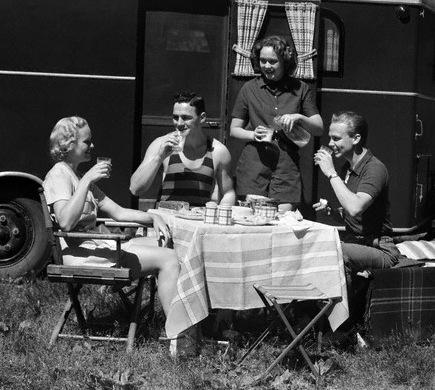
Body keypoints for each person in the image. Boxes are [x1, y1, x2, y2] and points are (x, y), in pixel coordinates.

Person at [43, 116, 179, 319]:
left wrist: (152, 218)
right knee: (169, 259)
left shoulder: (78, 176)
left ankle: (180, 319)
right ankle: (178, 332)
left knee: (166, 242)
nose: (92, 145)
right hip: (78, 254)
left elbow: (119, 212)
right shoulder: (59, 174)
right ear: (70, 145)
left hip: (94, 247)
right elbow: (65, 222)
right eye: (87, 141)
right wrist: (88, 179)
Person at [230, 35, 323, 211]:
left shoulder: (300, 88)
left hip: (286, 165)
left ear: (285, 61)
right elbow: (234, 130)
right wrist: (252, 134)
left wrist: (299, 117)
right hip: (254, 164)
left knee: (282, 219)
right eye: (263, 61)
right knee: (253, 217)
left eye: (272, 62)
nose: (266, 66)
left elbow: (318, 128)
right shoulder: (249, 88)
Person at [313, 111, 401, 277]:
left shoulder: (374, 169)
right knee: (319, 242)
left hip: (380, 249)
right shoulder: (347, 168)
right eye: (330, 137)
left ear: (356, 139)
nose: (330, 143)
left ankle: (342, 303)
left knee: (333, 250)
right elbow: (355, 218)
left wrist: (331, 173)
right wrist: (333, 212)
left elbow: (355, 208)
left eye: (336, 138)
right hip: (356, 242)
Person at [130, 92, 236, 206]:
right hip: (165, 221)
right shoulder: (161, 144)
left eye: (186, 118)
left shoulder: (217, 151)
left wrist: (220, 216)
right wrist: (158, 158)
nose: (179, 123)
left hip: (198, 221)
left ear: (202, 118)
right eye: (175, 117)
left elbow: (228, 193)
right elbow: (135, 189)